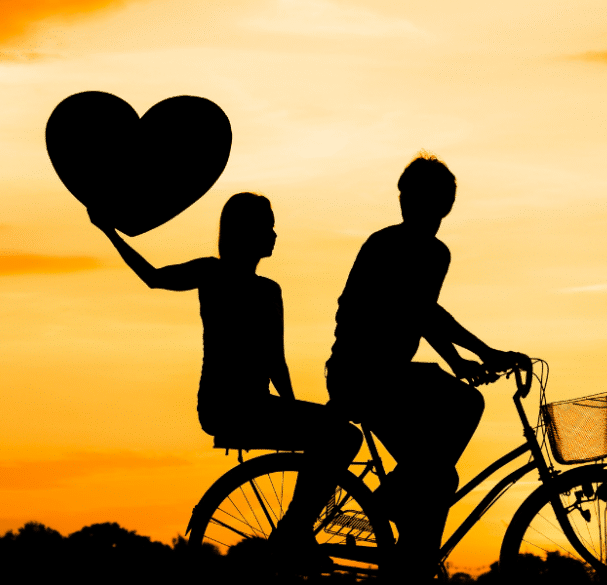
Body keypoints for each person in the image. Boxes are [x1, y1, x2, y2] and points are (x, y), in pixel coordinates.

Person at [90, 192, 362, 560]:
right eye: (268, 225)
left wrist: (294, 409)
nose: (274, 234)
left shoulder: (263, 289)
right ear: (246, 231)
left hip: (250, 405)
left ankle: (296, 527)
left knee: (336, 433)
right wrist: (110, 232)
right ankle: (295, 529)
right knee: (343, 436)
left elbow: (274, 362)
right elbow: (153, 277)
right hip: (229, 408)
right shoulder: (214, 274)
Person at [325, 154, 530, 580]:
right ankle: (388, 504)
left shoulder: (434, 253)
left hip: (389, 377)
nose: (409, 203)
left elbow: (420, 312)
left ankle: (411, 561)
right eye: (408, 196)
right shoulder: (389, 244)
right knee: (458, 424)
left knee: (439, 477)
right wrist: (484, 353)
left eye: (418, 197)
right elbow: (420, 309)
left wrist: (457, 360)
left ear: (443, 205)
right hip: (361, 375)